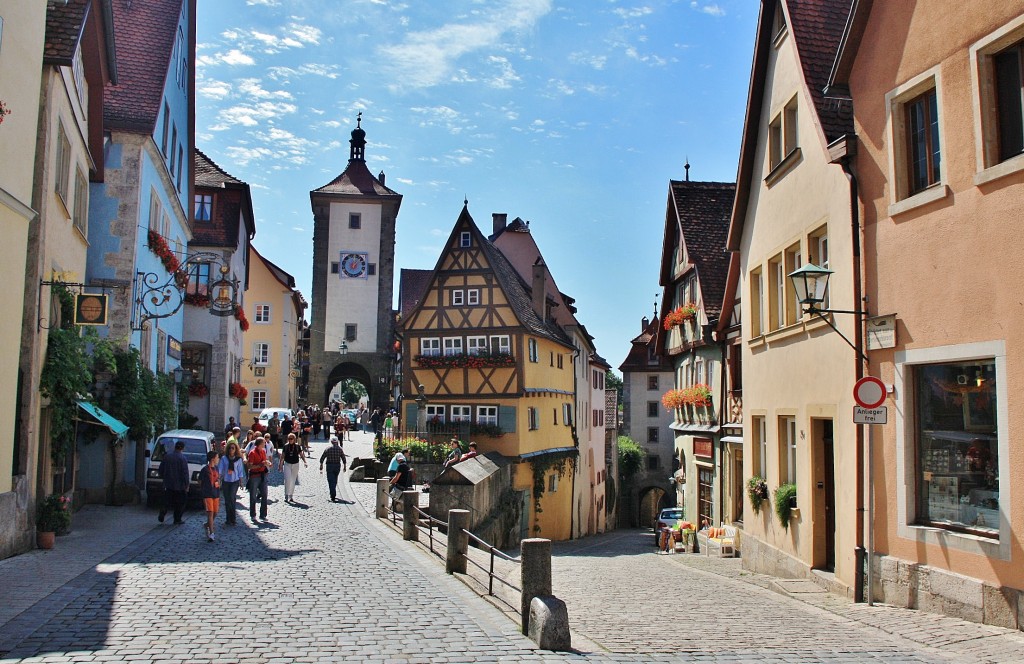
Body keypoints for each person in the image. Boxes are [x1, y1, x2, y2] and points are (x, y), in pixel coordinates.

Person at [158, 440, 190, 524]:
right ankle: (177, 519)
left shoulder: (167, 457)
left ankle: (163, 511)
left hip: (168, 483)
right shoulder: (182, 458)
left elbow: (161, 469)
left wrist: (163, 477)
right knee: (180, 502)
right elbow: (185, 472)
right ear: (182, 448)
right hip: (179, 485)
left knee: (166, 500)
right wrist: (187, 484)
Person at [246, 437, 273, 521]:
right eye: (264, 442)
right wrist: (259, 465)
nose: (265, 444)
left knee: (264, 495)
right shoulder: (252, 453)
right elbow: (249, 466)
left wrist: (268, 463)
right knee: (253, 496)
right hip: (254, 476)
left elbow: (265, 461)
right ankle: (253, 514)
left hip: (263, 475)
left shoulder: (263, 451)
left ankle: (263, 515)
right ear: (260, 444)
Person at [218, 442, 244, 525]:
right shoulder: (224, 458)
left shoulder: (238, 459)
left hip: (234, 481)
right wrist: (218, 479)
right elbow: (220, 470)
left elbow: (240, 471)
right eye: (230, 448)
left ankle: (233, 518)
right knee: (227, 500)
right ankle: (228, 518)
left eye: (233, 448)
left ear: (236, 449)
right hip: (226, 481)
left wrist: (241, 482)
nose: (231, 450)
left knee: (232, 498)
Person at [198, 450, 221, 542]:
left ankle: (207, 524)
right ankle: (211, 533)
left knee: (215, 512)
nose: (218, 459)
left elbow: (218, 478)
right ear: (212, 459)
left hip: (216, 493)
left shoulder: (217, 468)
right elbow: (200, 481)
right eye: (217, 457)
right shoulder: (205, 470)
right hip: (208, 494)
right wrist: (204, 488)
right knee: (210, 513)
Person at [319, 435, 348, 502]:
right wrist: (344, 466)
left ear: (331, 442)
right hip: (337, 466)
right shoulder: (340, 449)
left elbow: (322, 457)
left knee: (330, 480)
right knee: (335, 479)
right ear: (337, 442)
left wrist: (321, 465)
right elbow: (343, 458)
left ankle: (333, 495)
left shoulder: (328, 449)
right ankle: (333, 491)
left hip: (329, 465)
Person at [280, 432, 307, 502]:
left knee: (293, 480)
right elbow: (282, 456)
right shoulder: (286, 446)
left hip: (295, 464)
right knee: (287, 479)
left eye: (291, 438)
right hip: (287, 464)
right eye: (289, 438)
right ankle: (286, 495)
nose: (290, 440)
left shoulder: (297, 446)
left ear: (294, 439)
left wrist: (305, 461)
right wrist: (280, 465)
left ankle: (290, 495)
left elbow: (301, 454)